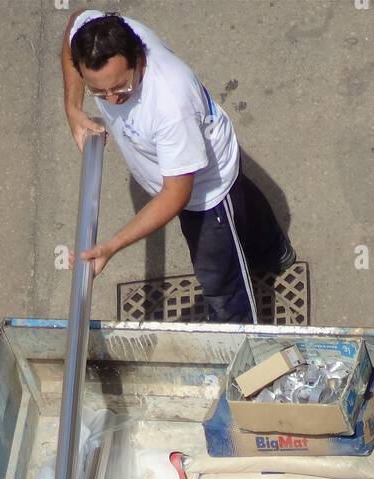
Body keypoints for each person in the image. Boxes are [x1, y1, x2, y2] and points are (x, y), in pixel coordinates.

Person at [60, 9, 295, 323]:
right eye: (98, 92)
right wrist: (72, 108)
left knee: (220, 282)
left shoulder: (170, 103)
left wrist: (111, 246)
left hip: (205, 192)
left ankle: (244, 340)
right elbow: (73, 27)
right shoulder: (99, 34)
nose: (112, 100)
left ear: (139, 58)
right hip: (205, 155)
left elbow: (177, 194)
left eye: (121, 88)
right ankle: (274, 252)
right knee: (244, 205)